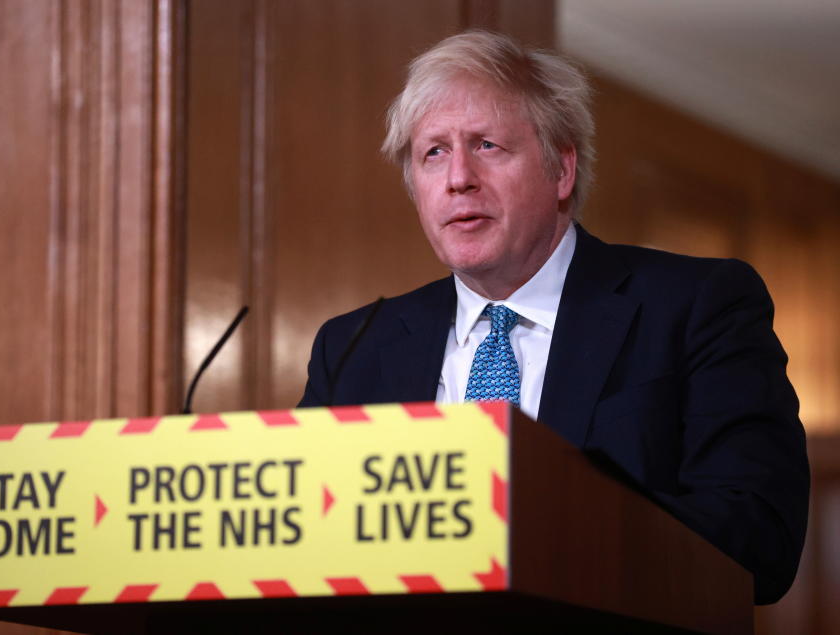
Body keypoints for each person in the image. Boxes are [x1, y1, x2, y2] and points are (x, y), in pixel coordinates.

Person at [297, 30, 808, 605]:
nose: (458, 176)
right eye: (432, 152)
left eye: (487, 144)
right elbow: (302, 548)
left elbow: (761, 542)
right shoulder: (352, 347)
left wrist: (538, 513)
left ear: (561, 170)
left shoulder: (697, 306)